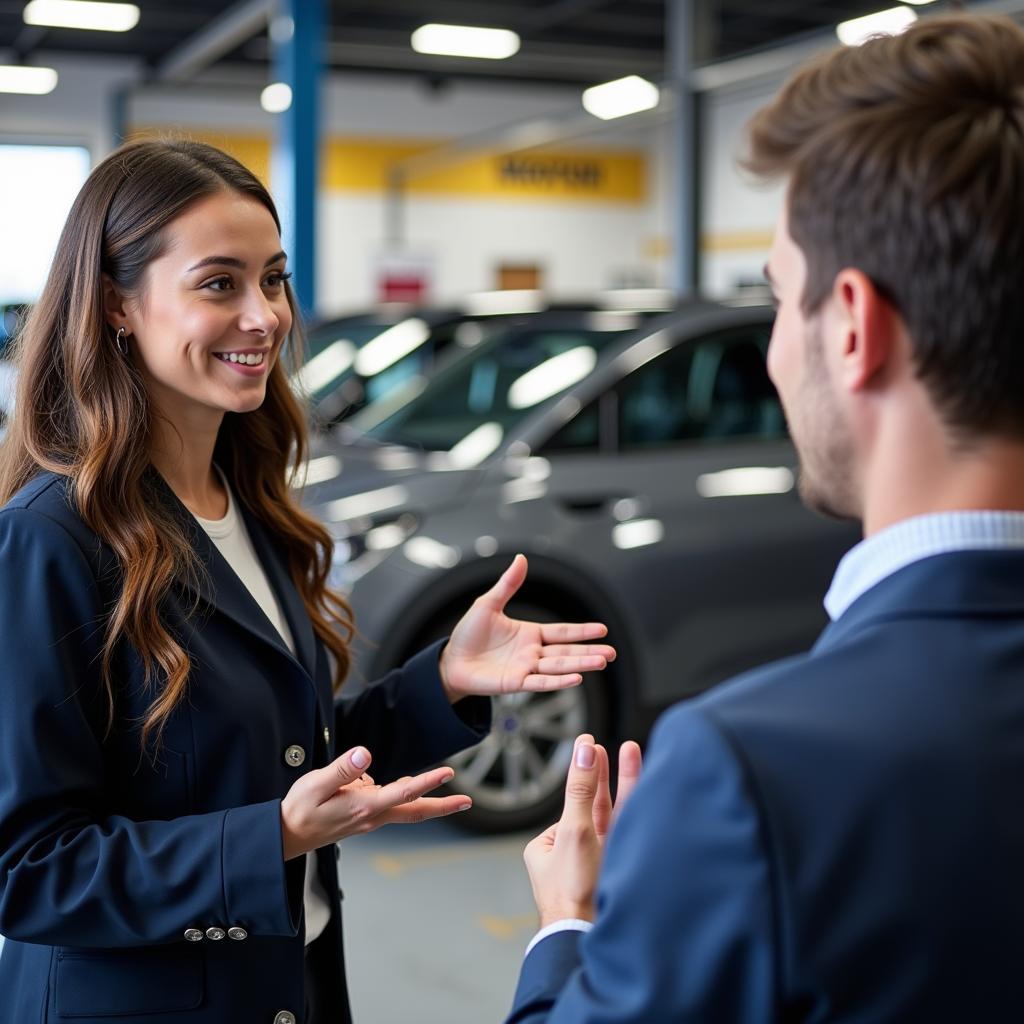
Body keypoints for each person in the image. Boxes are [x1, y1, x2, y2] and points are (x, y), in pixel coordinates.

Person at [0, 139, 616, 1024]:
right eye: (220, 283)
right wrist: (273, 839)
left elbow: (286, 760)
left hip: (292, 989)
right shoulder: (51, 539)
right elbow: (28, 869)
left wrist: (441, 682)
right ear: (117, 305)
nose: (264, 316)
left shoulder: (246, 500)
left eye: (275, 279)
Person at [506, 12, 1024, 1023]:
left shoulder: (752, 774)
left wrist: (570, 931)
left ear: (852, 328)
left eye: (779, 301)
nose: (774, 351)